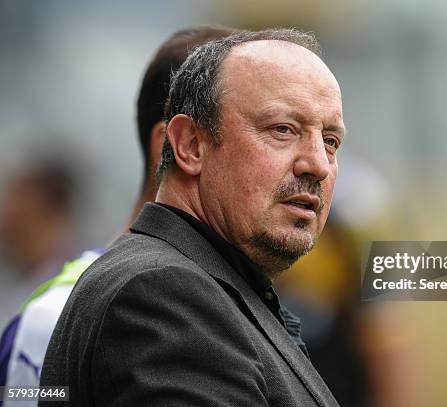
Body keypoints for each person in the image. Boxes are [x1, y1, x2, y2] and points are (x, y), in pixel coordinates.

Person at [41, 28, 344, 406]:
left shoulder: (210, 286)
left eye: (330, 141)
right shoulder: (162, 292)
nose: (317, 164)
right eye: (282, 130)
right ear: (190, 145)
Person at [0, 25, 234, 405]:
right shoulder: (57, 317)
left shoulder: (253, 305)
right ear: (178, 146)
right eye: (272, 132)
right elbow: (23, 397)